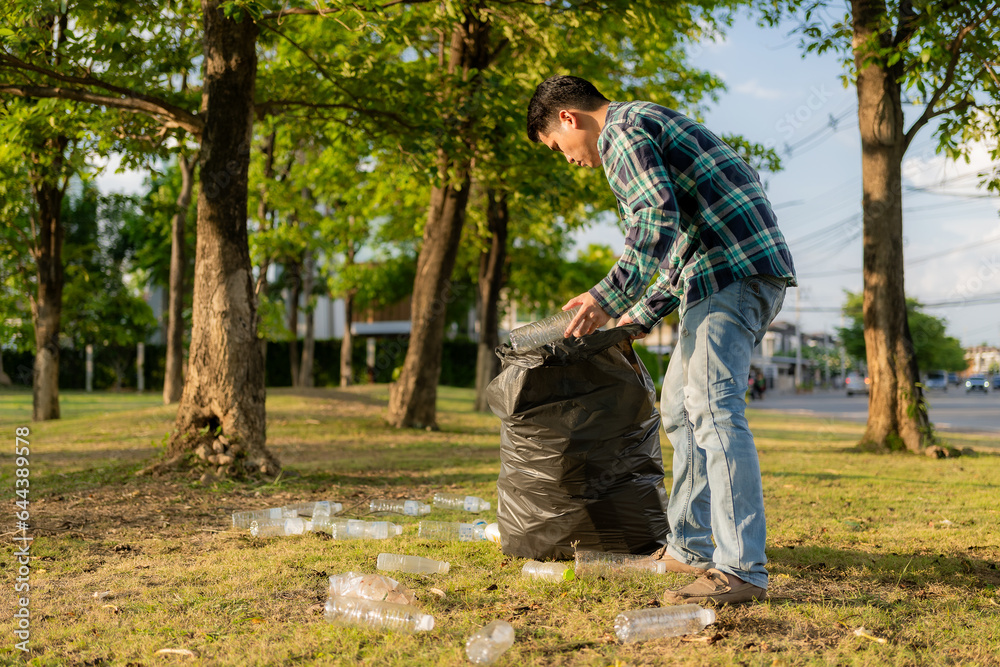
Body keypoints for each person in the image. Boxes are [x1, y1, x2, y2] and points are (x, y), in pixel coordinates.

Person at [526, 75, 796, 605]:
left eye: (560, 150)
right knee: (678, 408)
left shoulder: (621, 131)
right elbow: (683, 242)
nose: (571, 161)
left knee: (712, 409)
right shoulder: (644, 125)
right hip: (716, 276)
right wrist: (637, 319)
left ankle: (741, 569)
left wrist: (607, 297)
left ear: (568, 118)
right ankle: (688, 551)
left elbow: (655, 220)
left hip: (734, 276)